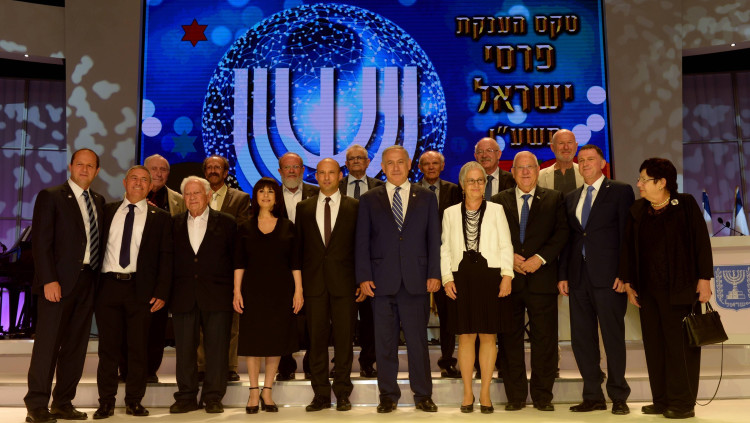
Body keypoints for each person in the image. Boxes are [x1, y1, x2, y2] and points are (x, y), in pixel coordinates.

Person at [622, 158, 713, 419]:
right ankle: (661, 400)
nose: (639, 184)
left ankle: (683, 403)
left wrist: (704, 279)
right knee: (655, 347)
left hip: (681, 289)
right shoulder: (638, 210)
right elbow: (627, 249)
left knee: (680, 348)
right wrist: (628, 283)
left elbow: (701, 243)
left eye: (644, 180)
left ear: (662, 183)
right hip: (647, 292)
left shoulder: (685, 204)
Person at [355, 145, 441, 413]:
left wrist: (434, 273)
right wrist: (363, 277)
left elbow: (434, 239)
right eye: (390, 163)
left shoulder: (426, 197)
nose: (395, 167)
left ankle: (423, 395)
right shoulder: (369, 199)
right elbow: (362, 241)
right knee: (384, 344)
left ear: (409, 164)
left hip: (416, 280)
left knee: (417, 342)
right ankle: (388, 395)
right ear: (382, 166)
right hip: (381, 282)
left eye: (400, 162)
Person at [25, 149, 105, 423]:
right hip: (57, 284)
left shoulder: (98, 200)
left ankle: (63, 403)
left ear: (97, 171)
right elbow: (41, 243)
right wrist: (49, 279)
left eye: (90, 166)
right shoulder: (51, 196)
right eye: (79, 164)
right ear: (70, 166)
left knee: (75, 348)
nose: (84, 169)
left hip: (88, 282)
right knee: (47, 347)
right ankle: (36, 405)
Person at [558, 144, 634, 415]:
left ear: (602, 163)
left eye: (591, 159)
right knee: (582, 340)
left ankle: (619, 396)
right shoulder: (571, 197)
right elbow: (569, 239)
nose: (585, 163)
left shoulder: (620, 191)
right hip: (578, 278)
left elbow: (627, 235)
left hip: (610, 278)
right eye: (581, 160)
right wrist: (563, 275)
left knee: (612, 338)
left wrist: (625, 274)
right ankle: (592, 395)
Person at [492, 152, 569, 412]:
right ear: (512, 172)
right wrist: (508, 257)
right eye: (520, 168)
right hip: (509, 281)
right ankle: (515, 396)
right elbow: (491, 236)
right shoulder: (498, 201)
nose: (525, 172)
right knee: (509, 340)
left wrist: (541, 258)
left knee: (544, 340)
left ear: (538, 170)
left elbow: (562, 233)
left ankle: (542, 396)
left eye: (530, 167)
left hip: (542, 279)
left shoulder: (555, 198)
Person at [94, 165, 173, 419]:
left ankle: (134, 401)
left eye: (144, 180)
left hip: (141, 290)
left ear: (150, 186)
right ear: (124, 182)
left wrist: (162, 291)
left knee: (138, 348)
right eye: (134, 178)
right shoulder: (106, 211)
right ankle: (106, 402)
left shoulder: (160, 217)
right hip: (108, 287)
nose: (138, 183)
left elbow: (166, 257)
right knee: (108, 350)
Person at [440, 161, 514, 413]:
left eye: (480, 180)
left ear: (485, 184)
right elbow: (444, 249)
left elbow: (506, 244)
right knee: (465, 336)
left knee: (488, 335)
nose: (475, 185)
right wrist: (446, 278)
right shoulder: (450, 213)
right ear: (462, 184)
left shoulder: (497, 210)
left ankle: (485, 393)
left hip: (490, 276)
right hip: (460, 277)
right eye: (470, 181)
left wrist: (507, 275)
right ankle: (467, 393)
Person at [233, 177, 303, 413]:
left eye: (270, 192)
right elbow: (239, 263)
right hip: (252, 292)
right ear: (255, 196)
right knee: (253, 343)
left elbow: (295, 263)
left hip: (281, 292)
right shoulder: (244, 227)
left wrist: (299, 291)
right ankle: (253, 391)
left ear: (276, 198)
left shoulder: (288, 226)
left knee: (275, 342)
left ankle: (268, 391)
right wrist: (236, 291)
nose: (265, 195)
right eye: (261, 191)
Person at [169, 176, 237, 414]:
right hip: (183, 296)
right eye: (187, 194)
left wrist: (235, 292)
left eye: (196, 193)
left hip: (217, 296)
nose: (192, 198)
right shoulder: (173, 224)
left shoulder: (227, 222)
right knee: (184, 350)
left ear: (208, 196)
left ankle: (213, 397)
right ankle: (186, 397)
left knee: (217, 350)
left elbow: (235, 260)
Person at [296, 158, 358, 412]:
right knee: (316, 342)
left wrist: (361, 280)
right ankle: (320, 394)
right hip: (314, 285)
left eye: (331, 172)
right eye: (321, 173)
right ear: (316, 176)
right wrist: (299, 287)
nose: (326, 177)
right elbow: (300, 249)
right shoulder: (304, 207)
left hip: (345, 284)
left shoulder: (355, 206)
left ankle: (342, 392)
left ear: (340, 175)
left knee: (344, 341)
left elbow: (360, 246)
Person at [198, 154, 250, 383]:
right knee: (200, 320)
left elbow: (241, 231)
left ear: (226, 172)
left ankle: (229, 366)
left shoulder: (240, 198)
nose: (213, 170)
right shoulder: (195, 196)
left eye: (217, 167)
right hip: (200, 268)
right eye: (209, 167)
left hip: (229, 268)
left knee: (231, 320)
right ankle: (202, 366)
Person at [138, 154, 185, 384]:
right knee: (132, 326)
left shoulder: (180, 200)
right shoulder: (131, 196)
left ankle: (150, 371)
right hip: (134, 273)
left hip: (165, 273)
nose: (158, 173)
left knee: (157, 326)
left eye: (163, 170)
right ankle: (128, 370)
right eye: (153, 169)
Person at [339, 144, 383, 378]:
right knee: (342, 318)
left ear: (368, 162)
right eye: (352, 158)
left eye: (360, 158)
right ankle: (340, 362)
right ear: (346, 164)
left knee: (371, 318)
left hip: (373, 263)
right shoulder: (335, 187)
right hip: (342, 262)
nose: (356, 161)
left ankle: (368, 362)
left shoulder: (381, 188)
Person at [419, 150, 462, 378]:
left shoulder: (455, 191)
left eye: (435, 163)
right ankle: (419, 364)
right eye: (426, 163)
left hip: (447, 260)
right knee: (416, 316)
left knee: (448, 315)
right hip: (416, 261)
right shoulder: (410, 191)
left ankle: (447, 361)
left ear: (442, 166)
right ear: (419, 167)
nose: (431, 167)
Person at [277, 152, 318, 380]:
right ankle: (285, 365)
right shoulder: (269, 195)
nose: (291, 171)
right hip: (280, 268)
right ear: (279, 171)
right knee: (284, 318)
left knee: (313, 317)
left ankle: (312, 364)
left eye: (296, 167)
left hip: (311, 265)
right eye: (287, 167)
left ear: (303, 170)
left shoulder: (317, 192)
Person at [538, 129, 583, 195]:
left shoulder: (586, 173)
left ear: (576, 146)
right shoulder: (539, 177)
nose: (566, 147)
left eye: (569, 142)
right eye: (561, 143)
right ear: (552, 147)